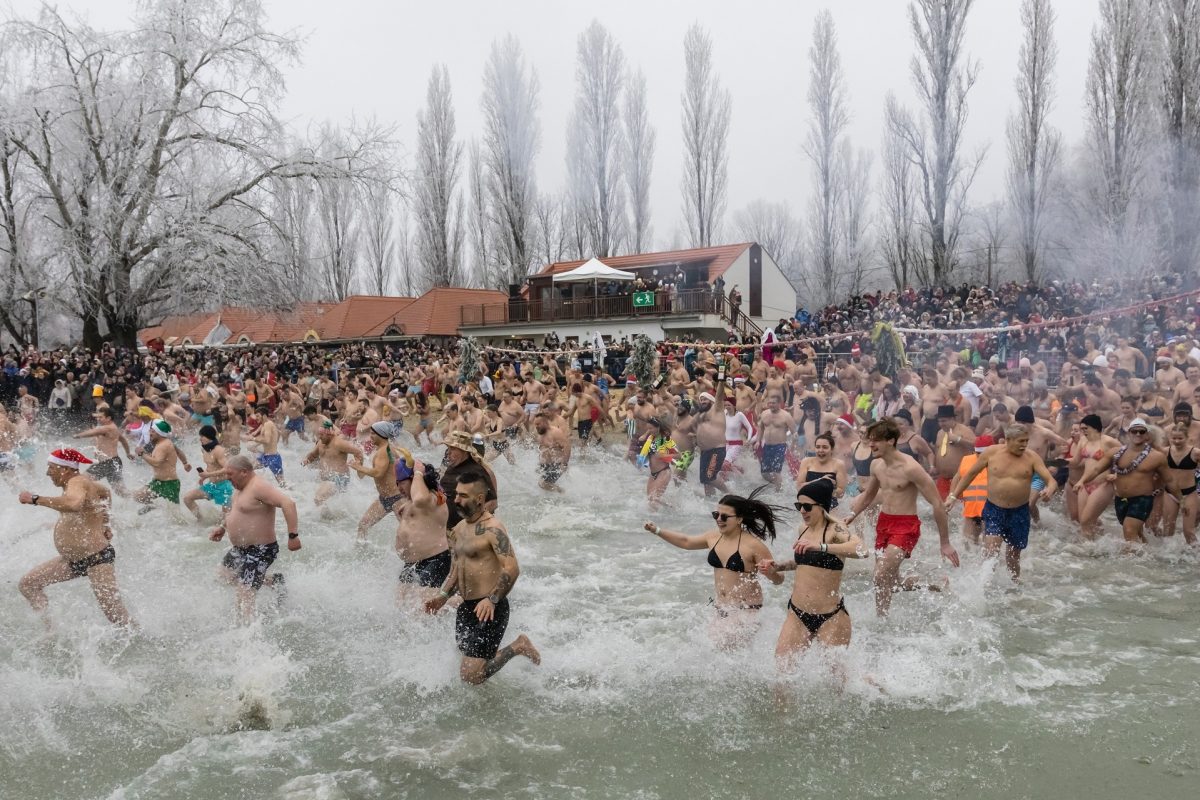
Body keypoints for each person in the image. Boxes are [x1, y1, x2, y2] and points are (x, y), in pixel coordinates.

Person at [424, 475, 540, 684]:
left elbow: (512, 568)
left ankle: (518, 646)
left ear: (479, 498)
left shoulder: (492, 528)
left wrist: (492, 599)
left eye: (463, 495)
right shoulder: (458, 529)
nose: (456, 499)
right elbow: (455, 570)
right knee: (470, 668)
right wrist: (442, 596)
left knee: (470, 675)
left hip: (489, 608)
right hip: (467, 608)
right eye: (456, 494)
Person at [845, 418, 960, 616]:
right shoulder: (876, 465)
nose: (870, 444)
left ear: (890, 441)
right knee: (891, 581)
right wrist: (852, 515)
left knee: (880, 575)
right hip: (884, 523)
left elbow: (937, 504)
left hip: (905, 526)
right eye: (870, 440)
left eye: (876, 440)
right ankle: (935, 583)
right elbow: (869, 496)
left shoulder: (911, 468)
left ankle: (882, 619)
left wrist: (945, 542)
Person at [643, 487, 783, 648]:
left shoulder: (754, 546)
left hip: (746, 611)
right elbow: (686, 542)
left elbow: (779, 580)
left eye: (724, 516)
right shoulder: (713, 537)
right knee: (711, 651)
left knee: (720, 649)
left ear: (739, 519)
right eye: (716, 515)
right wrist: (657, 531)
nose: (719, 519)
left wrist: (771, 573)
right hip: (721, 609)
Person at [17, 449, 135, 628]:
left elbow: (73, 504)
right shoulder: (82, 482)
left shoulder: (76, 481)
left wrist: (35, 499)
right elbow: (106, 493)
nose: (48, 472)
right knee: (28, 584)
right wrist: (105, 524)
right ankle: (50, 631)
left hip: (97, 558)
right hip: (73, 560)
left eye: (51, 468)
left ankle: (140, 638)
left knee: (115, 614)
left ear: (64, 468)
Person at [759, 477, 865, 665]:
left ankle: (873, 684)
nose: (802, 511)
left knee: (838, 685)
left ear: (821, 506)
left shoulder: (836, 528)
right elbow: (804, 563)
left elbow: (861, 550)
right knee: (781, 675)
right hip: (797, 614)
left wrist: (821, 546)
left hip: (830, 617)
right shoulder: (803, 529)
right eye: (799, 505)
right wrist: (777, 566)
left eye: (807, 507)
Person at [947, 426, 1057, 580]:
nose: (1024, 445)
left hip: (1019, 512)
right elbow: (970, 474)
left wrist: (1049, 490)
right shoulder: (991, 453)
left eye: (1026, 441)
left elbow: (1051, 480)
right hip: (994, 509)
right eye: (1021, 441)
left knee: (1013, 557)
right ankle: (984, 585)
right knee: (991, 549)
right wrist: (953, 496)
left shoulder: (1032, 457)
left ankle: (1014, 585)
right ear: (1008, 440)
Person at [208, 455, 300, 622]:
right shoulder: (239, 487)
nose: (227, 478)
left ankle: (247, 634)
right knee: (224, 577)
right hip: (240, 548)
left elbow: (288, 503)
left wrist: (293, 536)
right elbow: (235, 511)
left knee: (244, 596)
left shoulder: (258, 486)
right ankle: (274, 581)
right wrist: (222, 527)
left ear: (244, 472)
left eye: (230, 474)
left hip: (260, 549)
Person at [1073, 417, 1183, 547]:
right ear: (1129, 433)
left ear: (1147, 435)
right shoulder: (1116, 453)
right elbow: (1097, 469)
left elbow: (1169, 480)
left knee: (1129, 530)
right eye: (1134, 431)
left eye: (1141, 432)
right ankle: (1151, 557)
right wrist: (1082, 481)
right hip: (1122, 499)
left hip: (1142, 500)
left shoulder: (1156, 457)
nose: (1138, 434)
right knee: (1136, 533)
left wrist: (1182, 501)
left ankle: (1130, 563)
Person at [395, 458, 451, 607]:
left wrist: (418, 471)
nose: (398, 487)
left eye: (401, 482)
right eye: (397, 483)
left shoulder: (432, 497)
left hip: (435, 559)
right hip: (412, 562)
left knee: (423, 612)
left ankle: (461, 601)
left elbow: (420, 498)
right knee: (401, 607)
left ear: (414, 480)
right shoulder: (412, 501)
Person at [352, 421, 407, 541]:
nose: (369, 436)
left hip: (397, 498)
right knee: (363, 525)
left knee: (407, 532)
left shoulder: (385, 451)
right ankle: (362, 554)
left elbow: (378, 473)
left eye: (372, 434)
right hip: (384, 499)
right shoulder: (384, 450)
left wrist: (360, 468)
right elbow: (362, 475)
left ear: (381, 434)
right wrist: (359, 464)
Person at [74, 406, 133, 497]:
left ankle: (92, 502)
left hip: (107, 462)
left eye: (101, 417)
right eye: (98, 417)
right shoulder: (114, 428)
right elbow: (123, 440)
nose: (98, 419)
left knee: (82, 480)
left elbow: (92, 432)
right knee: (121, 491)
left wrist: (77, 435)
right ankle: (139, 500)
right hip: (113, 462)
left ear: (109, 418)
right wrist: (128, 453)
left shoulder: (108, 428)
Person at [300, 420, 363, 505]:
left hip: (339, 478)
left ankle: (325, 516)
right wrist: (306, 460)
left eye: (322, 435)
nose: (319, 437)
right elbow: (312, 455)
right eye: (319, 434)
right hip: (326, 478)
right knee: (323, 501)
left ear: (329, 434)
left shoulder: (339, 443)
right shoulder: (320, 443)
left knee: (319, 498)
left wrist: (359, 466)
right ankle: (330, 516)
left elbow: (358, 452)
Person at [183, 425, 234, 522]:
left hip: (224, 487)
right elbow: (211, 467)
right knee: (187, 498)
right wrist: (203, 477)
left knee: (225, 522)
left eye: (202, 436)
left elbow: (228, 468)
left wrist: (208, 475)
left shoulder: (219, 450)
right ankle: (201, 519)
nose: (200, 439)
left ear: (209, 437)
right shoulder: (205, 450)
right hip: (212, 486)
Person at [1161, 423, 1200, 545]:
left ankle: (1196, 557)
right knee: (1167, 530)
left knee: (1188, 531)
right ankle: (1167, 558)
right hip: (1170, 493)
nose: (1177, 441)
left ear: (1187, 438)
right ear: (1170, 438)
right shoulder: (1165, 451)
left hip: (1189, 494)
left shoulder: (1196, 453)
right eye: (1174, 438)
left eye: (1180, 438)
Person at [134, 419, 183, 512]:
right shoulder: (159, 443)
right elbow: (178, 452)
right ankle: (155, 507)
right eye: (150, 430)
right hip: (158, 482)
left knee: (175, 516)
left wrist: (142, 455)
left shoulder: (164, 445)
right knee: (138, 496)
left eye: (152, 431)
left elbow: (157, 463)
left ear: (159, 433)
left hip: (170, 484)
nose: (149, 433)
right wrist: (185, 463)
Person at [637, 417, 678, 508]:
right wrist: (647, 432)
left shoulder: (666, 440)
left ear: (658, 427)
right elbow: (640, 439)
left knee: (654, 499)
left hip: (663, 471)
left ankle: (654, 520)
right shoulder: (650, 439)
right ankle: (672, 508)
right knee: (650, 499)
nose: (649, 430)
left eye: (651, 428)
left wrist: (664, 456)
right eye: (648, 428)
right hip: (653, 473)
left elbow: (679, 455)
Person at [533, 412, 570, 493]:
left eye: (538, 424)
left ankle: (564, 493)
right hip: (546, 465)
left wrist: (564, 463)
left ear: (545, 422)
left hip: (557, 464)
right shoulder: (540, 434)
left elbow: (567, 446)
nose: (536, 426)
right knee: (542, 485)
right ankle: (556, 498)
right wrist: (540, 465)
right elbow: (542, 450)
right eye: (535, 424)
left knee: (543, 483)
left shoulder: (555, 432)